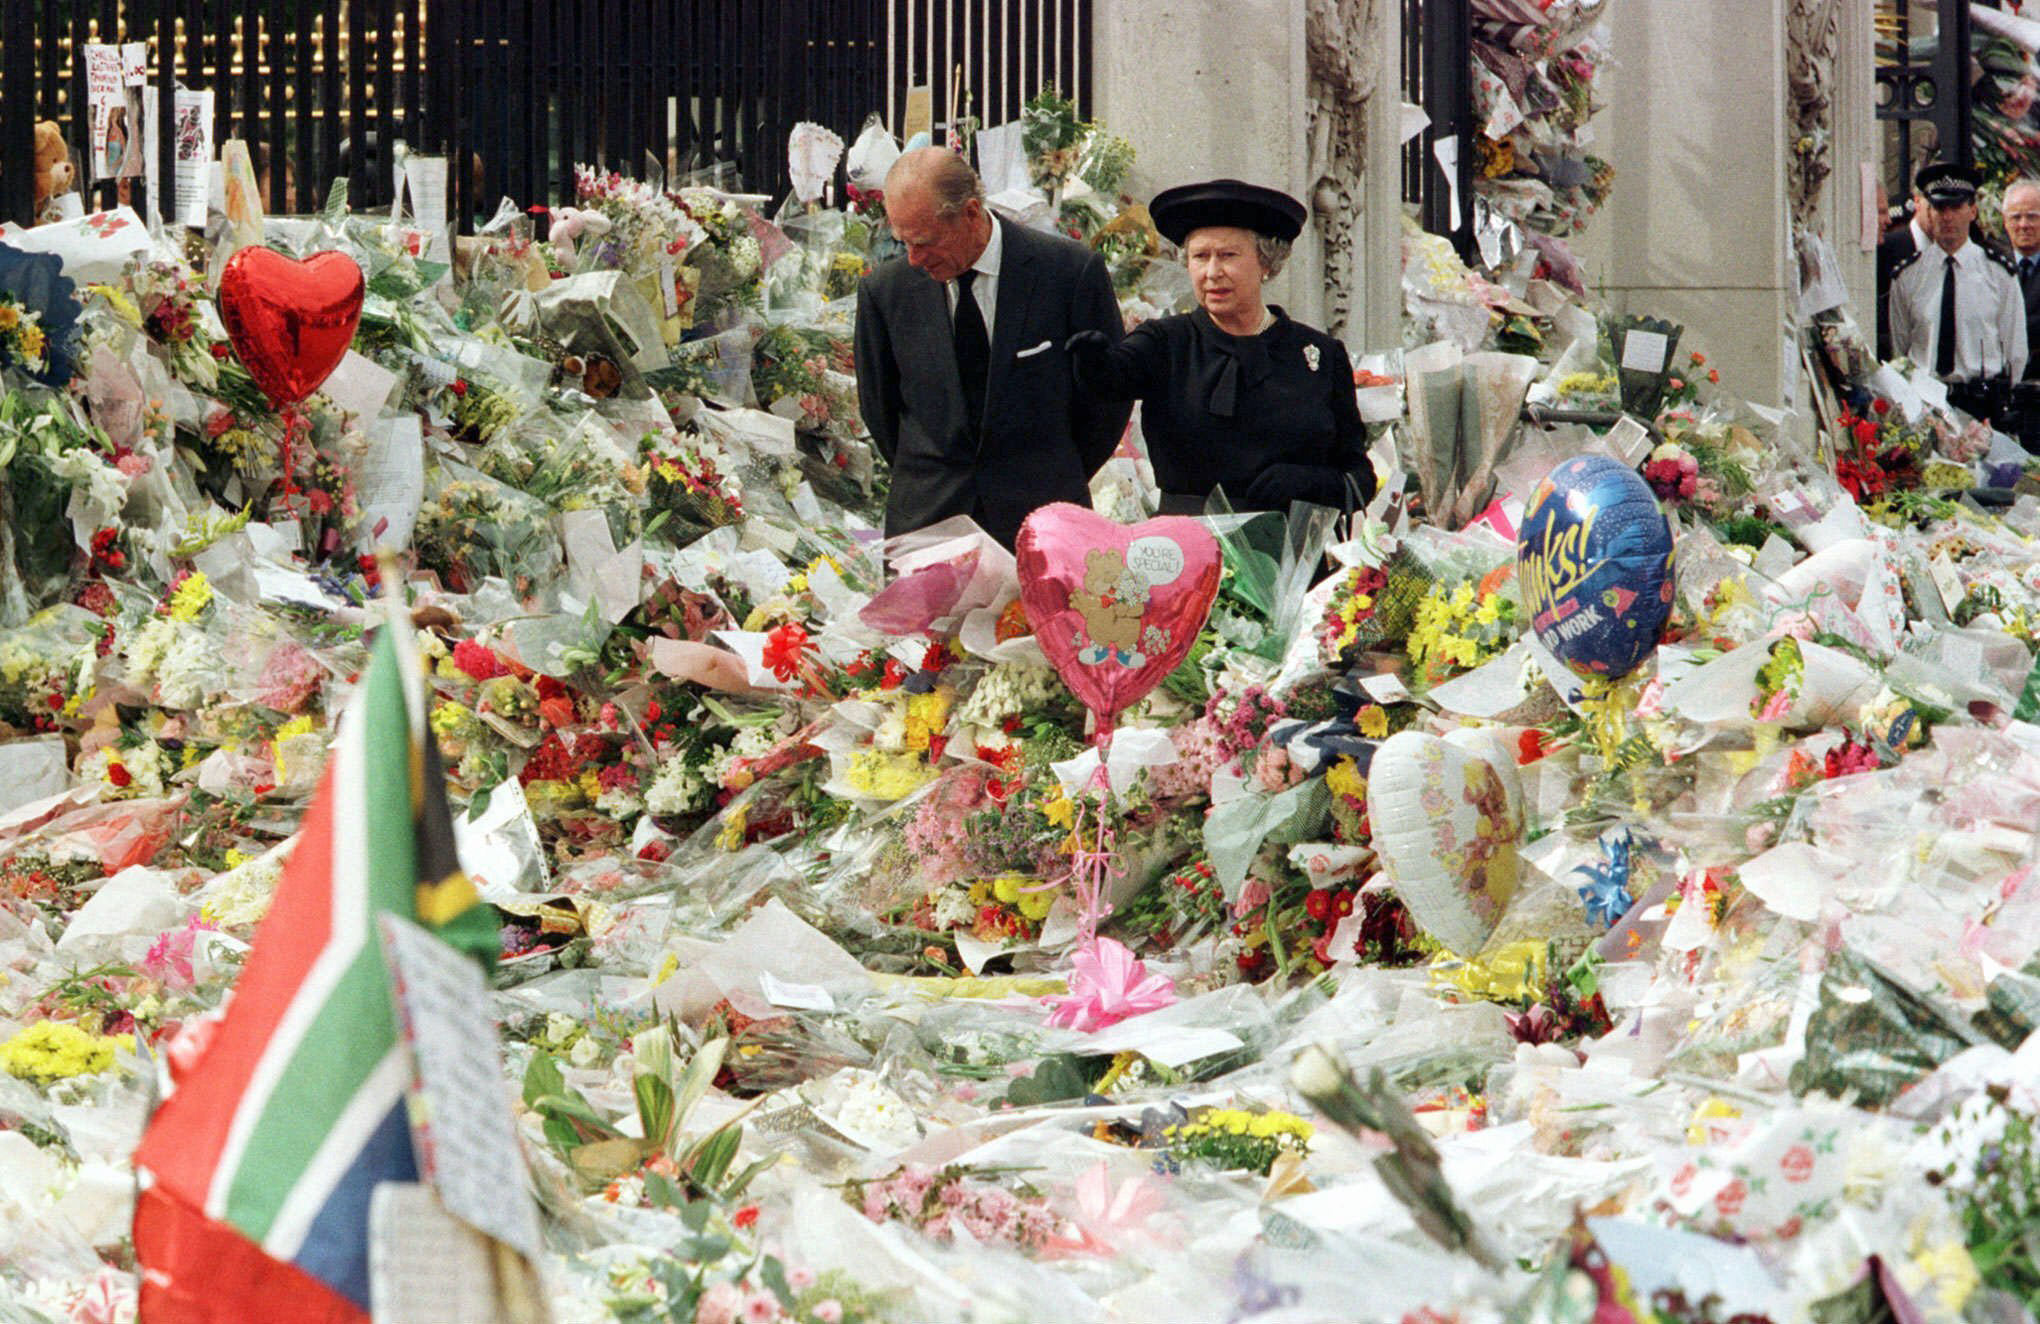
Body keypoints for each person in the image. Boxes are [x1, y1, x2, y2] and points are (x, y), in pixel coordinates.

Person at [852, 147, 1131, 548]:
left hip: (1044, 522)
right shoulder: (885, 292)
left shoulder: (1067, 273)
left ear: (970, 213)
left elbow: (1107, 398)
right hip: (928, 526)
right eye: (903, 242)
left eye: (925, 242)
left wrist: (1051, 472)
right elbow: (879, 409)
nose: (913, 259)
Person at [1065, 179, 1375, 516]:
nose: (1212, 272)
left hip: (1293, 554)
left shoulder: (1320, 354)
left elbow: (1360, 481)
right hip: (1188, 553)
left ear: (1266, 263)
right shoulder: (1165, 342)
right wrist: (1092, 359)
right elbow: (1113, 378)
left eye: (1228, 255)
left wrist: (1308, 484)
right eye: (1200, 257)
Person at [1890, 162, 2028, 426]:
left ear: (1972, 211)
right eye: (1940, 208)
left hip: (1982, 405)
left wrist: (2005, 402)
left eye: (1956, 208)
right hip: (1926, 405)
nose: (1947, 217)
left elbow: (2015, 351)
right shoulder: (1907, 277)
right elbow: (1901, 349)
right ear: (1928, 212)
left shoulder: (1999, 274)